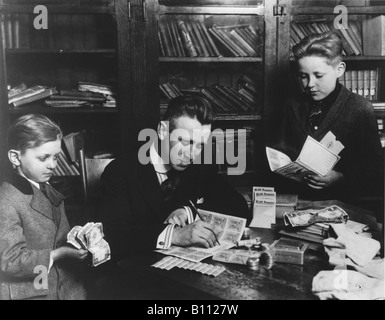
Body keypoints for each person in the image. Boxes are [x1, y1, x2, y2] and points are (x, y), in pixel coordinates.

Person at [98, 95, 250, 261]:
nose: (192, 154)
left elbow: (239, 207)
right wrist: (174, 235)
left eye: (200, 145)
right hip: (139, 275)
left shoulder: (201, 166)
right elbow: (114, 236)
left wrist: (188, 211)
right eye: (185, 142)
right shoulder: (120, 172)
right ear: (163, 131)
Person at [270, 31, 384, 204]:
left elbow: (375, 169)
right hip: (296, 202)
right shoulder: (291, 105)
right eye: (303, 76)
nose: (310, 84)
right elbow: (280, 150)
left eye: (318, 75)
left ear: (340, 70)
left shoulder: (360, 108)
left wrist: (339, 177)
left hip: (342, 205)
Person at [0, 114, 87, 300]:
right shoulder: (6, 200)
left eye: (56, 157)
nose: (53, 165)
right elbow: (9, 262)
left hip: (67, 290)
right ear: (15, 157)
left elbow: (57, 235)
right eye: (43, 158)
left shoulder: (48, 189)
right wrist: (59, 254)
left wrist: (78, 239)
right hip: (34, 294)